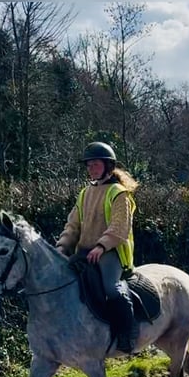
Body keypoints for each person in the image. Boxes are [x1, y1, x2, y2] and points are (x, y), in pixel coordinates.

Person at [56, 141, 140, 354]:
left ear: (108, 166)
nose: (91, 169)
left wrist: (101, 246)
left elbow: (119, 227)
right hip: (84, 252)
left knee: (112, 288)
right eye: (89, 165)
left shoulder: (119, 193)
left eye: (95, 165)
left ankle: (127, 334)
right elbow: (73, 225)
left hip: (110, 252)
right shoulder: (85, 193)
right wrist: (62, 247)